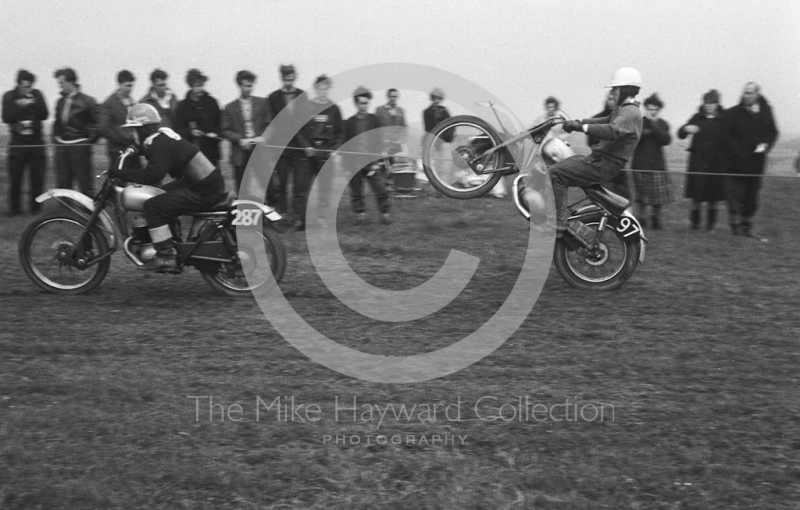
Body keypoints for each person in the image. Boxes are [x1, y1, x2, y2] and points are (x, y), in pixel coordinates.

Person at [524, 67, 643, 247]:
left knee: (556, 175)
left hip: (603, 165)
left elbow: (612, 130)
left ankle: (558, 224)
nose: (612, 92)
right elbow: (603, 121)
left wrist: (581, 128)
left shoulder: (630, 113)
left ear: (626, 89)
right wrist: (579, 123)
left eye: (615, 89)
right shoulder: (624, 110)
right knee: (558, 166)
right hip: (599, 161)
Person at [111, 103, 227, 272]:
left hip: (203, 189)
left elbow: (152, 175)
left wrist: (121, 173)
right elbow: (160, 154)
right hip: (205, 182)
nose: (131, 133)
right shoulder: (161, 137)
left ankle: (166, 256)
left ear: (143, 129)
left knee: (152, 206)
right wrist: (137, 150)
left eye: (134, 129)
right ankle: (171, 239)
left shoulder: (159, 144)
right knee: (161, 194)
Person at [721, 82, 778, 238]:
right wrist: (737, 151)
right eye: (745, 92)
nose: (746, 96)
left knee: (751, 198)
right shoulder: (732, 113)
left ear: (757, 95)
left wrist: (766, 145)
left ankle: (746, 227)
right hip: (735, 164)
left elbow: (773, 132)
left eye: (750, 93)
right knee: (734, 197)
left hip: (756, 164)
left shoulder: (766, 112)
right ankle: (735, 228)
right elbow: (724, 136)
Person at [266, 64, 311, 224]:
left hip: (299, 148)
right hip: (281, 149)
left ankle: (299, 218)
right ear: (281, 78)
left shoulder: (303, 95)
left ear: (295, 77)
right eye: (286, 78)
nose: (289, 81)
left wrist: (305, 144)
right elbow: (270, 123)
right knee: (282, 184)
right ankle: (282, 216)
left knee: (300, 186)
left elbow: (306, 122)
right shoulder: (273, 98)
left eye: (291, 78)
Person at [678, 89, 727, 231]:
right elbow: (680, 133)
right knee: (696, 197)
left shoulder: (724, 119)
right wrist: (687, 128)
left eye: (712, 103)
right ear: (703, 103)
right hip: (698, 163)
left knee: (713, 198)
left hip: (716, 164)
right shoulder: (697, 118)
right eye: (707, 103)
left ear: (717, 104)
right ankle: (695, 225)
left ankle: (710, 226)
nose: (709, 106)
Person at [2, 69, 48, 216]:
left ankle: (35, 209)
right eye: (24, 86)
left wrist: (32, 104)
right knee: (15, 178)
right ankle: (14, 209)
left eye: (29, 86)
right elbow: (6, 117)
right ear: (18, 85)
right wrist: (19, 106)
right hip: (17, 143)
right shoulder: (9, 96)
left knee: (37, 179)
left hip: (36, 142)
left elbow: (44, 114)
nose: (27, 89)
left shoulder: (37, 94)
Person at [342, 86, 390, 225]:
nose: (364, 106)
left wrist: (377, 162)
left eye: (366, 103)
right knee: (356, 191)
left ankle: (385, 214)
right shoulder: (349, 122)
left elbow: (380, 142)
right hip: (354, 163)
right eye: (361, 103)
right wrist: (346, 166)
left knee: (380, 188)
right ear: (356, 103)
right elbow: (345, 144)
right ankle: (360, 215)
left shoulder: (375, 120)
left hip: (371, 162)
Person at [302, 75, 343, 226]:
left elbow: (341, 132)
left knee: (325, 188)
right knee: (303, 187)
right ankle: (302, 219)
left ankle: (322, 218)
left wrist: (333, 148)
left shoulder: (334, 109)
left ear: (329, 90)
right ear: (316, 89)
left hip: (326, 153)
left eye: (326, 89)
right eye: (320, 89)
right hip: (309, 153)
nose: (323, 92)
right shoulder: (307, 107)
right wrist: (306, 145)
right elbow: (299, 130)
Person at [221, 70, 271, 192]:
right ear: (239, 85)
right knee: (242, 188)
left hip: (259, 151)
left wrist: (262, 137)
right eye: (246, 86)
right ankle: (244, 209)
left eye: (251, 86)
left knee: (268, 186)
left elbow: (269, 124)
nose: (249, 89)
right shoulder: (229, 107)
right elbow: (225, 130)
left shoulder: (262, 103)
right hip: (240, 153)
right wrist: (239, 140)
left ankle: (271, 209)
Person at [52, 67, 98, 197]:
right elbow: (57, 124)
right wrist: (56, 141)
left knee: (85, 184)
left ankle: (91, 216)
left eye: (61, 83)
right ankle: (64, 215)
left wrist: (88, 143)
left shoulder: (88, 101)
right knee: (63, 185)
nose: (59, 86)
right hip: (62, 149)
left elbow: (98, 125)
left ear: (71, 82)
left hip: (79, 149)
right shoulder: (60, 102)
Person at [631, 93, 672, 229]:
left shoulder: (663, 123)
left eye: (654, 109)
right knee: (641, 196)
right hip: (640, 164)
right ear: (645, 108)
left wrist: (653, 127)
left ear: (659, 109)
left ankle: (655, 219)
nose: (651, 111)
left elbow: (665, 140)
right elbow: (636, 139)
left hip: (657, 165)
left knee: (657, 198)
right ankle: (641, 219)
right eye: (649, 108)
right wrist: (648, 131)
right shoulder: (639, 122)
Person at [587, 90, 631, 200]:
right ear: (606, 101)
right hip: (603, 168)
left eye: (615, 99)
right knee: (607, 201)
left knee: (625, 202)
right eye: (610, 99)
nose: (613, 102)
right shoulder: (596, 119)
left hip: (620, 169)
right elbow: (592, 141)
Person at [175, 69, 221, 167]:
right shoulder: (182, 106)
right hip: (191, 155)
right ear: (191, 86)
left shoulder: (212, 102)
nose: (201, 88)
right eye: (197, 86)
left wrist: (215, 133)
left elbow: (220, 124)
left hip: (211, 154)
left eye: (202, 85)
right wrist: (190, 133)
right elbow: (177, 130)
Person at [98, 70, 140, 170]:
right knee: (120, 180)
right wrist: (121, 139)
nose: (130, 89)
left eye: (131, 86)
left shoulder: (131, 101)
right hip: (117, 150)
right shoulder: (109, 103)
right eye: (127, 86)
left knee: (138, 178)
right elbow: (103, 128)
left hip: (132, 147)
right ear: (119, 84)